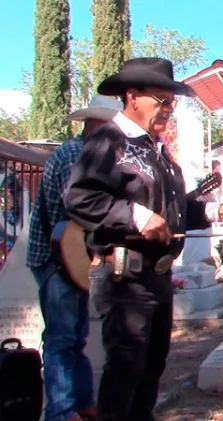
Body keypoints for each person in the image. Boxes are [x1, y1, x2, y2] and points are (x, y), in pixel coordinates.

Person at [62, 57, 223, 421]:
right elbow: (79, 197)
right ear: (133, 96)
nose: (170, 109)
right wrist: (136, 215)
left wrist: (214, 212)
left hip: (158, 277)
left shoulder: (156, 149)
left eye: (172, 102)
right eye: (163, 100)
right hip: (124, 277)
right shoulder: (109, 141)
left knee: (151, 370)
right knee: (125, 371)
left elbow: (174, 211)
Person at [26, 95, 123, 421]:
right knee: (61, 339)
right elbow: (79, 206)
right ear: (99, 126)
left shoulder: (86, 154)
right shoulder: (75, 155)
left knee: (75, 335)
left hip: (70, 258)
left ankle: (81, 404)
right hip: (56, 260)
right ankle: (61, 411)